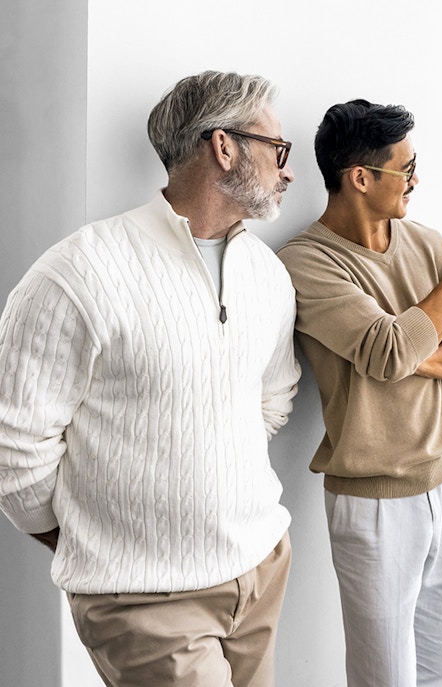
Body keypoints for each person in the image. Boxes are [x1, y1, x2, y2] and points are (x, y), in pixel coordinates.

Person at [0, 71, 301, 687]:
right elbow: (14, 446)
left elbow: (271, 397)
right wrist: (92, 543)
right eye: (277, 149)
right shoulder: (77, 274)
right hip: (145, 599)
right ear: (224, 146)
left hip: (260, 568)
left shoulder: (268, 273)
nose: (287, 169)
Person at [276, 99, 442, 687]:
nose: (417, 178)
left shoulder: (429, 244)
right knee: (384, 675)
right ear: (361, 178)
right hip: (373, 501)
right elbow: (387, 353)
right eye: (405, 167)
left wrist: (411, 348)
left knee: (437, 666)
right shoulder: (307, 264)